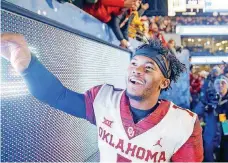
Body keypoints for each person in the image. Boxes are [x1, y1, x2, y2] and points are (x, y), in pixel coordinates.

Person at [1, 33, 203, 162]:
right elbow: (57, 96)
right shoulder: (104, 99)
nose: (137, 71)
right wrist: (27, 65)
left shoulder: (183, 124)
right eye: (134, 64)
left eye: (148, 68)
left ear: (164, 83)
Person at [194, 75, 228, 162]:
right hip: (212, 138)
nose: (220, 85)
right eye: (217, 83)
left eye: (223, 83)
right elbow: (196, 114)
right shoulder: (208, 98)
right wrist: (206, 107)